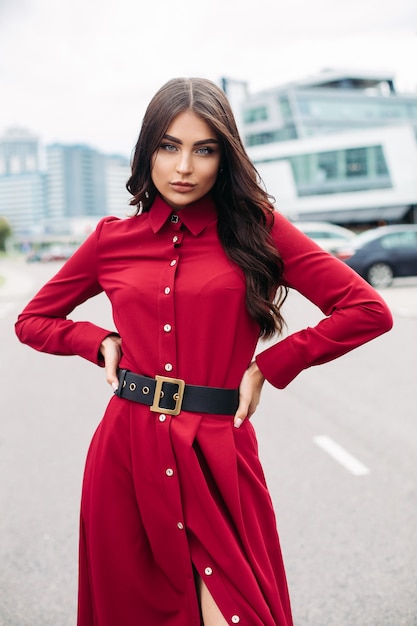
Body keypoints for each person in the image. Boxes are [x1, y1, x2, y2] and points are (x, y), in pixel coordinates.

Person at [15, 77, 393, 626]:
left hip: (219, 453)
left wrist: (269, 365)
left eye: (204, 149)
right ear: (148, 153)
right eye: (169, 146)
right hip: (129, 452)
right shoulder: (110, 241)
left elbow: (366, 310)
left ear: (225, 158)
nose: (184, 166)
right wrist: (96, 341)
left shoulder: (258, 229)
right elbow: (32, 321)